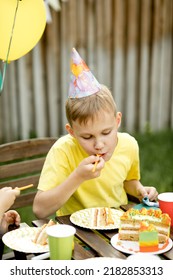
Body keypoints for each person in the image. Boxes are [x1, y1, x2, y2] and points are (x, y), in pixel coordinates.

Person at [33, 48, 158, 219]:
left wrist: (139, 190)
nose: (99, 144)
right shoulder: (63, 150)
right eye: (87, 137)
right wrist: (78, 177)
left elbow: (128, 181)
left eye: (106, 132)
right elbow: (40, 209)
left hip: (118, 226)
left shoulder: (129, 145)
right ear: (72, 132)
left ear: (117, 121)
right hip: (77, 235)